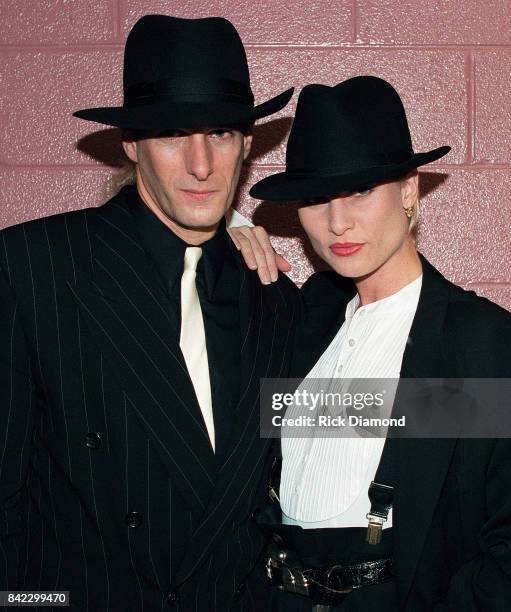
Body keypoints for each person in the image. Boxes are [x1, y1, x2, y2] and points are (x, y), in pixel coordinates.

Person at [0, 14, 300, 611]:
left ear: (246, 143)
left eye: (219, 133)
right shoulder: (33, 269)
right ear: (132, 145)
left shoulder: (275, 297)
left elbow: (375, 424)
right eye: (171, 135)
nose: (200, 164)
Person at [229, 76, 511, 611]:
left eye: (360, 190)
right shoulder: (303, 323)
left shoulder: (479, 343)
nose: (337, 222)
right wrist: (226, 232)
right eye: (315, 199)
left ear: (409, 190)